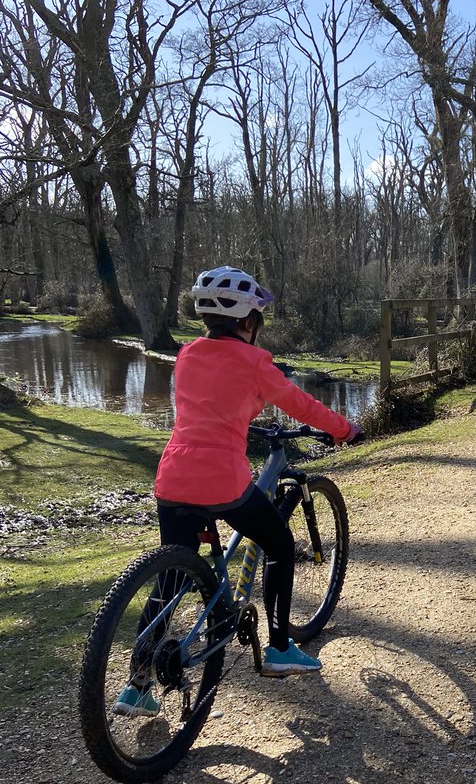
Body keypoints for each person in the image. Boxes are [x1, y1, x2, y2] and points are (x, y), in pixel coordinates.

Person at [115, 266, 359, 717]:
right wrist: (345, 429)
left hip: (172, 476)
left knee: (169, 580)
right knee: (281, 546)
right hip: (220, 480)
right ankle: (281, 645)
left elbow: (211, 408)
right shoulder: (255, 363)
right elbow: (301, 405)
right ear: (248, 322)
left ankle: (136, 686)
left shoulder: (186, 355)